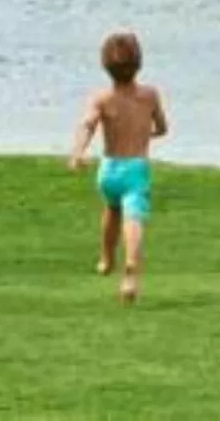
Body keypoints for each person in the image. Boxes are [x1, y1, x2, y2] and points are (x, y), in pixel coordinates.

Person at [69, 30, 168, 304]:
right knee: (133, 218)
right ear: (139, 63)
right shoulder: (150, 95)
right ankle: (131, 271)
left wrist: (77, 153)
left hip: (108, 169)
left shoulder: (101, 98)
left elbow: (88, 124)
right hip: (135, 169)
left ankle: (106, 257)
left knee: (111, 209)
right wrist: (144, 134)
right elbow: (161, 128)